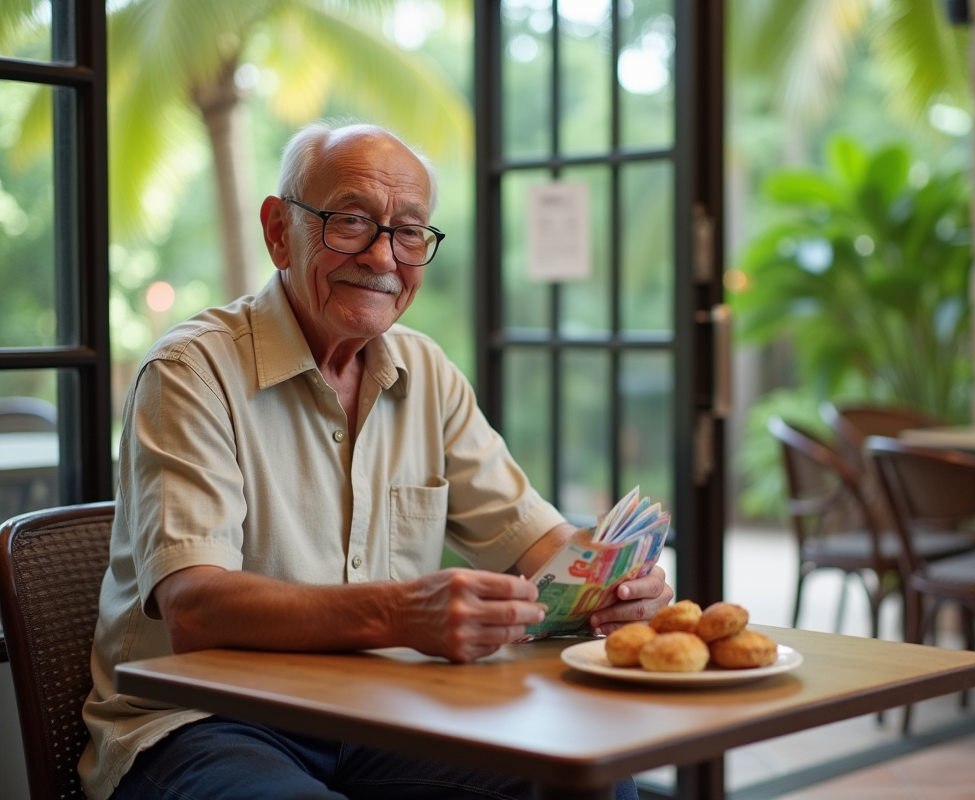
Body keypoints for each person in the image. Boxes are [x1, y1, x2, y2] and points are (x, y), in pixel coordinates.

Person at [79, 121, 673, 800]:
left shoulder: (427, 372)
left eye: (410, 231)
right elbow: (196, 609)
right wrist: (401, 614)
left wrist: (614, 586)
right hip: (204, 725)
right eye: (351, 220)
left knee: (596, 775)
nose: (384, 256)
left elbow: (542, 544)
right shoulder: (192, 370)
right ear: (278, 231)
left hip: (383, 717)